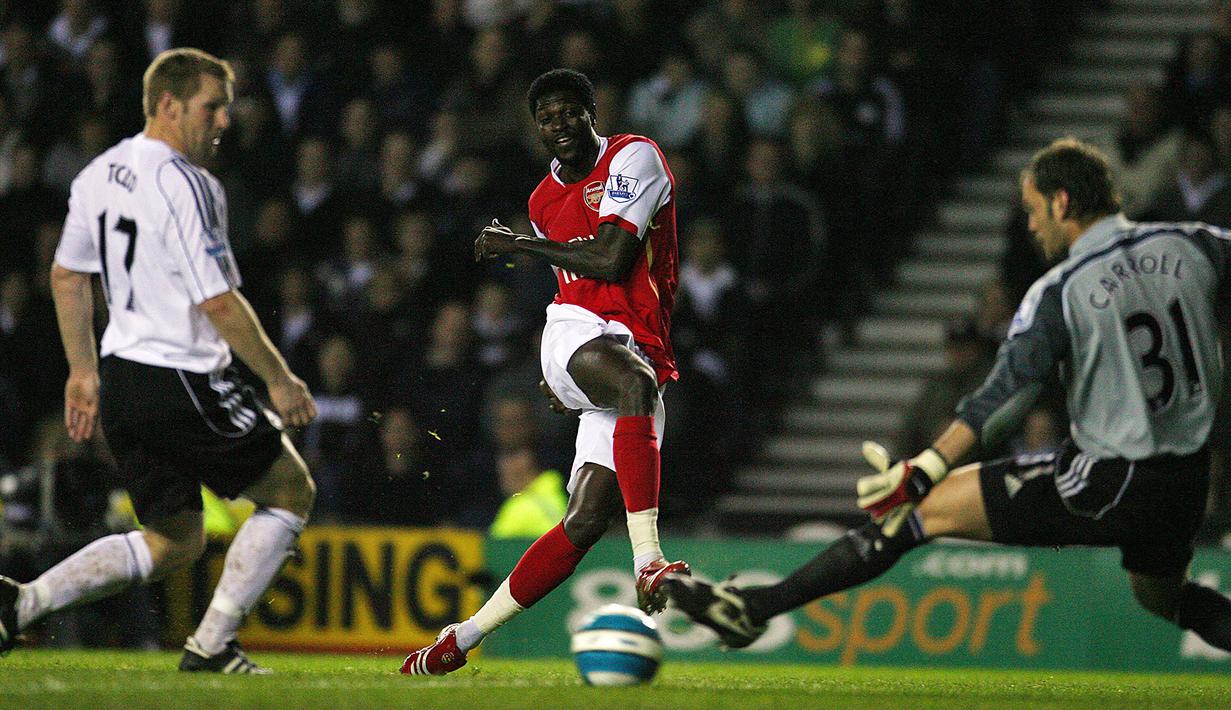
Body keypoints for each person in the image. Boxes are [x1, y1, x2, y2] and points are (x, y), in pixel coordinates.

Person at [666, 138, 1231, 655]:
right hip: (1186, 480)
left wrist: (927, 466)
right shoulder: (1195, 244)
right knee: (1162, 597)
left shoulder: (1063, 288)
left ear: (1062, 203)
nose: (1032, 225)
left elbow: (1007, 394)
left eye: (1034, 209)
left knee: (919, 511)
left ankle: (751, 610)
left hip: (1112, 476)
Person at [0, 48, 318, 673]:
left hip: (124, 381)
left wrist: (83, 371)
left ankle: (24, 602)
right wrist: (279, 380)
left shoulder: (97, 174)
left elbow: (67, 276)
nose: (224, 121)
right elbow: (218, 302)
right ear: (168, 105)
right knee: (290, 490)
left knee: (176, 540)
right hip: (183, 375)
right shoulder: (188, 183)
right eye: (212, 107)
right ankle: (213, 644)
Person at [400, 68, 687, 676]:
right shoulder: (541, 200)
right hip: (578, 332)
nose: (558, 124)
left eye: (568, 112)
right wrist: (571, 371)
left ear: (591, 113)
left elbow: (612, 259)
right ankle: (649, 562)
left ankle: (460, 638)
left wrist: (521, 245)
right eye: (545, 117)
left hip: (636, 347)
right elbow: (576, 293)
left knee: (584, 521)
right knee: (632, 383)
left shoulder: (634, 157)